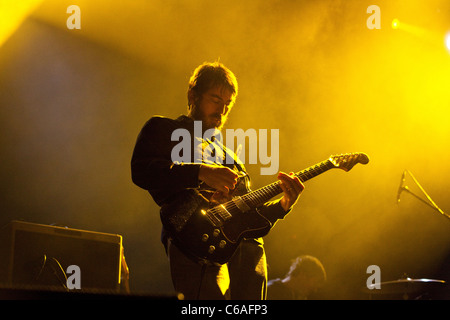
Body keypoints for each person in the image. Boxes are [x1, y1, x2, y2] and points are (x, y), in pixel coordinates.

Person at [131, 61, 304, 300]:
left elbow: (248, 216)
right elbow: (142, 171)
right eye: (215, 99)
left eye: (228, 103)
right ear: (193, 95)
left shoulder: (230, 156)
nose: (222, 110)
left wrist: (284, 205)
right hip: (196, 243)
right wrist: (200, 172)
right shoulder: (163, 129)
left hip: (247, 250)